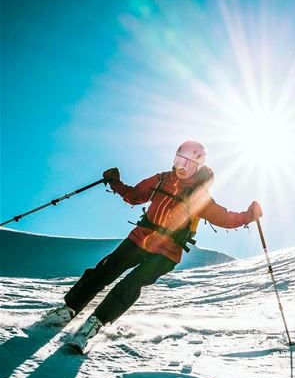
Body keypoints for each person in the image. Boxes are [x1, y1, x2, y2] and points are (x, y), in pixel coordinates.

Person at [42, 140, 263, 351]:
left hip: (167, 252)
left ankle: (93, 325)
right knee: (104, 270)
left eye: (189, 164)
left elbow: (223, 218)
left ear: (199, 167)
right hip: (140, 238)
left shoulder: (199, 195)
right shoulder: (161, 179)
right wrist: (115, 183)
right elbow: (134, 196)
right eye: (179, 160)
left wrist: (248, 216)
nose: (182, 167)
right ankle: (69, 309)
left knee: (130, 285)